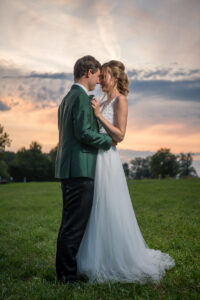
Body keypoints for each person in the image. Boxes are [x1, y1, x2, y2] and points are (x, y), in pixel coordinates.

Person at [77, 60, 175, 283]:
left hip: (108, 161)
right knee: (93, 208)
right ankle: (93, 256)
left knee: (109, 206)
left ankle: (115, 259)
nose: (100, 80)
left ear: (115, 78)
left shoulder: (121, 100)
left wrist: (99, 116)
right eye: (99, 77)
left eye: (104, 76)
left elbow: (120, 135)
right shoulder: (102, 100)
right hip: (95, 159)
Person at [55, 55, 113, 283]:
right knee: (73, 226)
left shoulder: (67, 98)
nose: (99, 81)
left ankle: (65, 271)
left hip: (70, 169)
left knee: (69, 223)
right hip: (80, 169)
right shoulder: (80, 98)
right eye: (98, 75)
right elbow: (83, 134)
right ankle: (67, 277)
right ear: (88, 72)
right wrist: (107, 141)